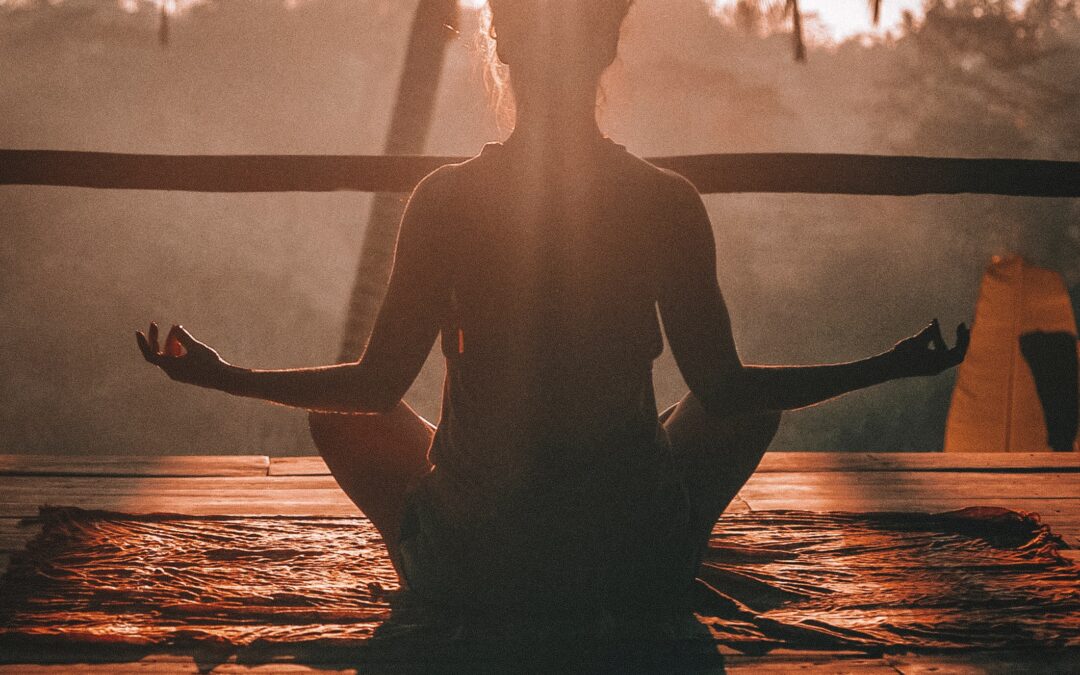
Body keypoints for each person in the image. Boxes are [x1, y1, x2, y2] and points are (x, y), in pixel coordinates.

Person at [137, 0, 968, 616]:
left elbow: (372, 382)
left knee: (338, 419)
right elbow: (726, 388)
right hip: (629, 561)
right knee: (743, 412)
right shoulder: (664, 200)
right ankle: (666, 555)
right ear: (608, 44)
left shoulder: (446, 199)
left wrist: (222, 375)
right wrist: (887, 364)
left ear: (499, 46)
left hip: (478, 564)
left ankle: (443, 569)